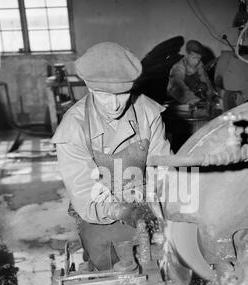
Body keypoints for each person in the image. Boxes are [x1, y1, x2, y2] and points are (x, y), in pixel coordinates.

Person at [51, 42, 171, 272]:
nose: (115, 105)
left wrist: (158, 204)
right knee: (106, 256)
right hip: (100, 207)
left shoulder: (148, 112)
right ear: (89, 87)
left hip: (145, 196)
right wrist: (123, 211)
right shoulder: (73, 128)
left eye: (123, 94)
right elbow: (86, 194)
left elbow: (162, 165)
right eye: (104, 95)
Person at [167, 40, 214, 104]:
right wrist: (194, 100)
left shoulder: (199, 64)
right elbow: (179, 87)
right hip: (176, 98)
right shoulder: (178, 67)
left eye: (199, 58)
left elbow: (206, 80)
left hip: (193, 96)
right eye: (194, 58)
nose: (197, 61)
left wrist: (212, 96)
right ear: (187, 54)